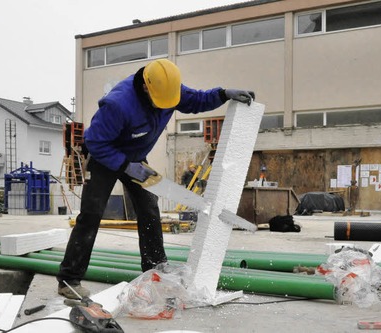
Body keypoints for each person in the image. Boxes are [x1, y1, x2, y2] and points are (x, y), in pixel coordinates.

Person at [57, 59, 255, 299]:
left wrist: (223, 94)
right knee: (91, 214)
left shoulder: (169, 90)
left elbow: (197, 100)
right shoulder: (117, 104)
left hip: (136, 158)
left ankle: (155, 268)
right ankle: (69, 279)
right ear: (145, 88)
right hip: (104, 157)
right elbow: (96, 142)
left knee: (149, 209)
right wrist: (124, 166)